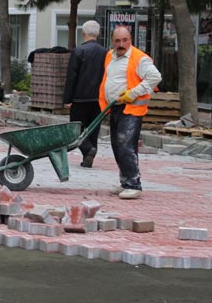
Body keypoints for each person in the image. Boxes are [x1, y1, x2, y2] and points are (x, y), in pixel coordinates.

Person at [99, 26, 162, 200]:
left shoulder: (139, 59)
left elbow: (155, 77)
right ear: (112, 41)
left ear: (130, 40)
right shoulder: (110, 56)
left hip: (132, 108)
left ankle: (134, 184)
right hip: (115, 106)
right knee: (117, 145)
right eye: (117, 40)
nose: (121, 44)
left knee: (126, 144)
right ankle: (125, 181)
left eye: (125, 40)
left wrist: (132, 93)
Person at [63, 20, 108, 168]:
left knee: (76, 129)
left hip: (80, 97)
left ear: (83, 34)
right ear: (98, 34)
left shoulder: (78, 51)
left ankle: (88, 149)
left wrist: (67, 99)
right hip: (99, 98)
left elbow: (72, 77)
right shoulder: (105, 52)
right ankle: (89, 156)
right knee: (93, 128)